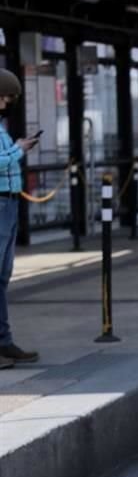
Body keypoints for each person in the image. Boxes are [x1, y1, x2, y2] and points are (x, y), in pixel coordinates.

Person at [0, 68, 39, 368]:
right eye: (4, 97)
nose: (6, 103)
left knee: (2, 276)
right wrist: (19, 149)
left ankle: (4, 341)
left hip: (9, 203)